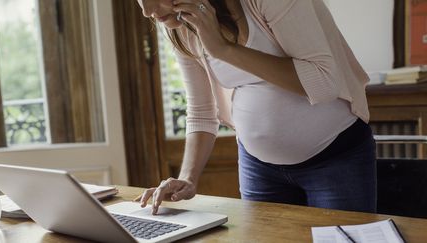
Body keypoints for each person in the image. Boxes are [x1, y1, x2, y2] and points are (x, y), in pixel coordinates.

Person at [135, 0, 377, 215]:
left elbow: (325, 82)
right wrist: (187, 178)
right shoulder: (183, 27)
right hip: (259, 169)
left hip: (335, 159)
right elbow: (201, 110)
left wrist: (224, 50)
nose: (146, 11)